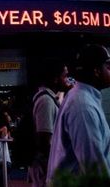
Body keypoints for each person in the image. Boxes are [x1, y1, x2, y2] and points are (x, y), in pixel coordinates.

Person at [47, 45, 110, 184]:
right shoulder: (83, 106)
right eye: (108, 67)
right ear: (97, 71)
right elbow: (94, 168)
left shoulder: (82, 98)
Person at [29, 59, 70, 187]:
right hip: (45, 167)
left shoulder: (50, 98)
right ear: (55, 79)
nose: (67, 80)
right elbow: (44, 140)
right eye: (65, 76)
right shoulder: (46, 101)